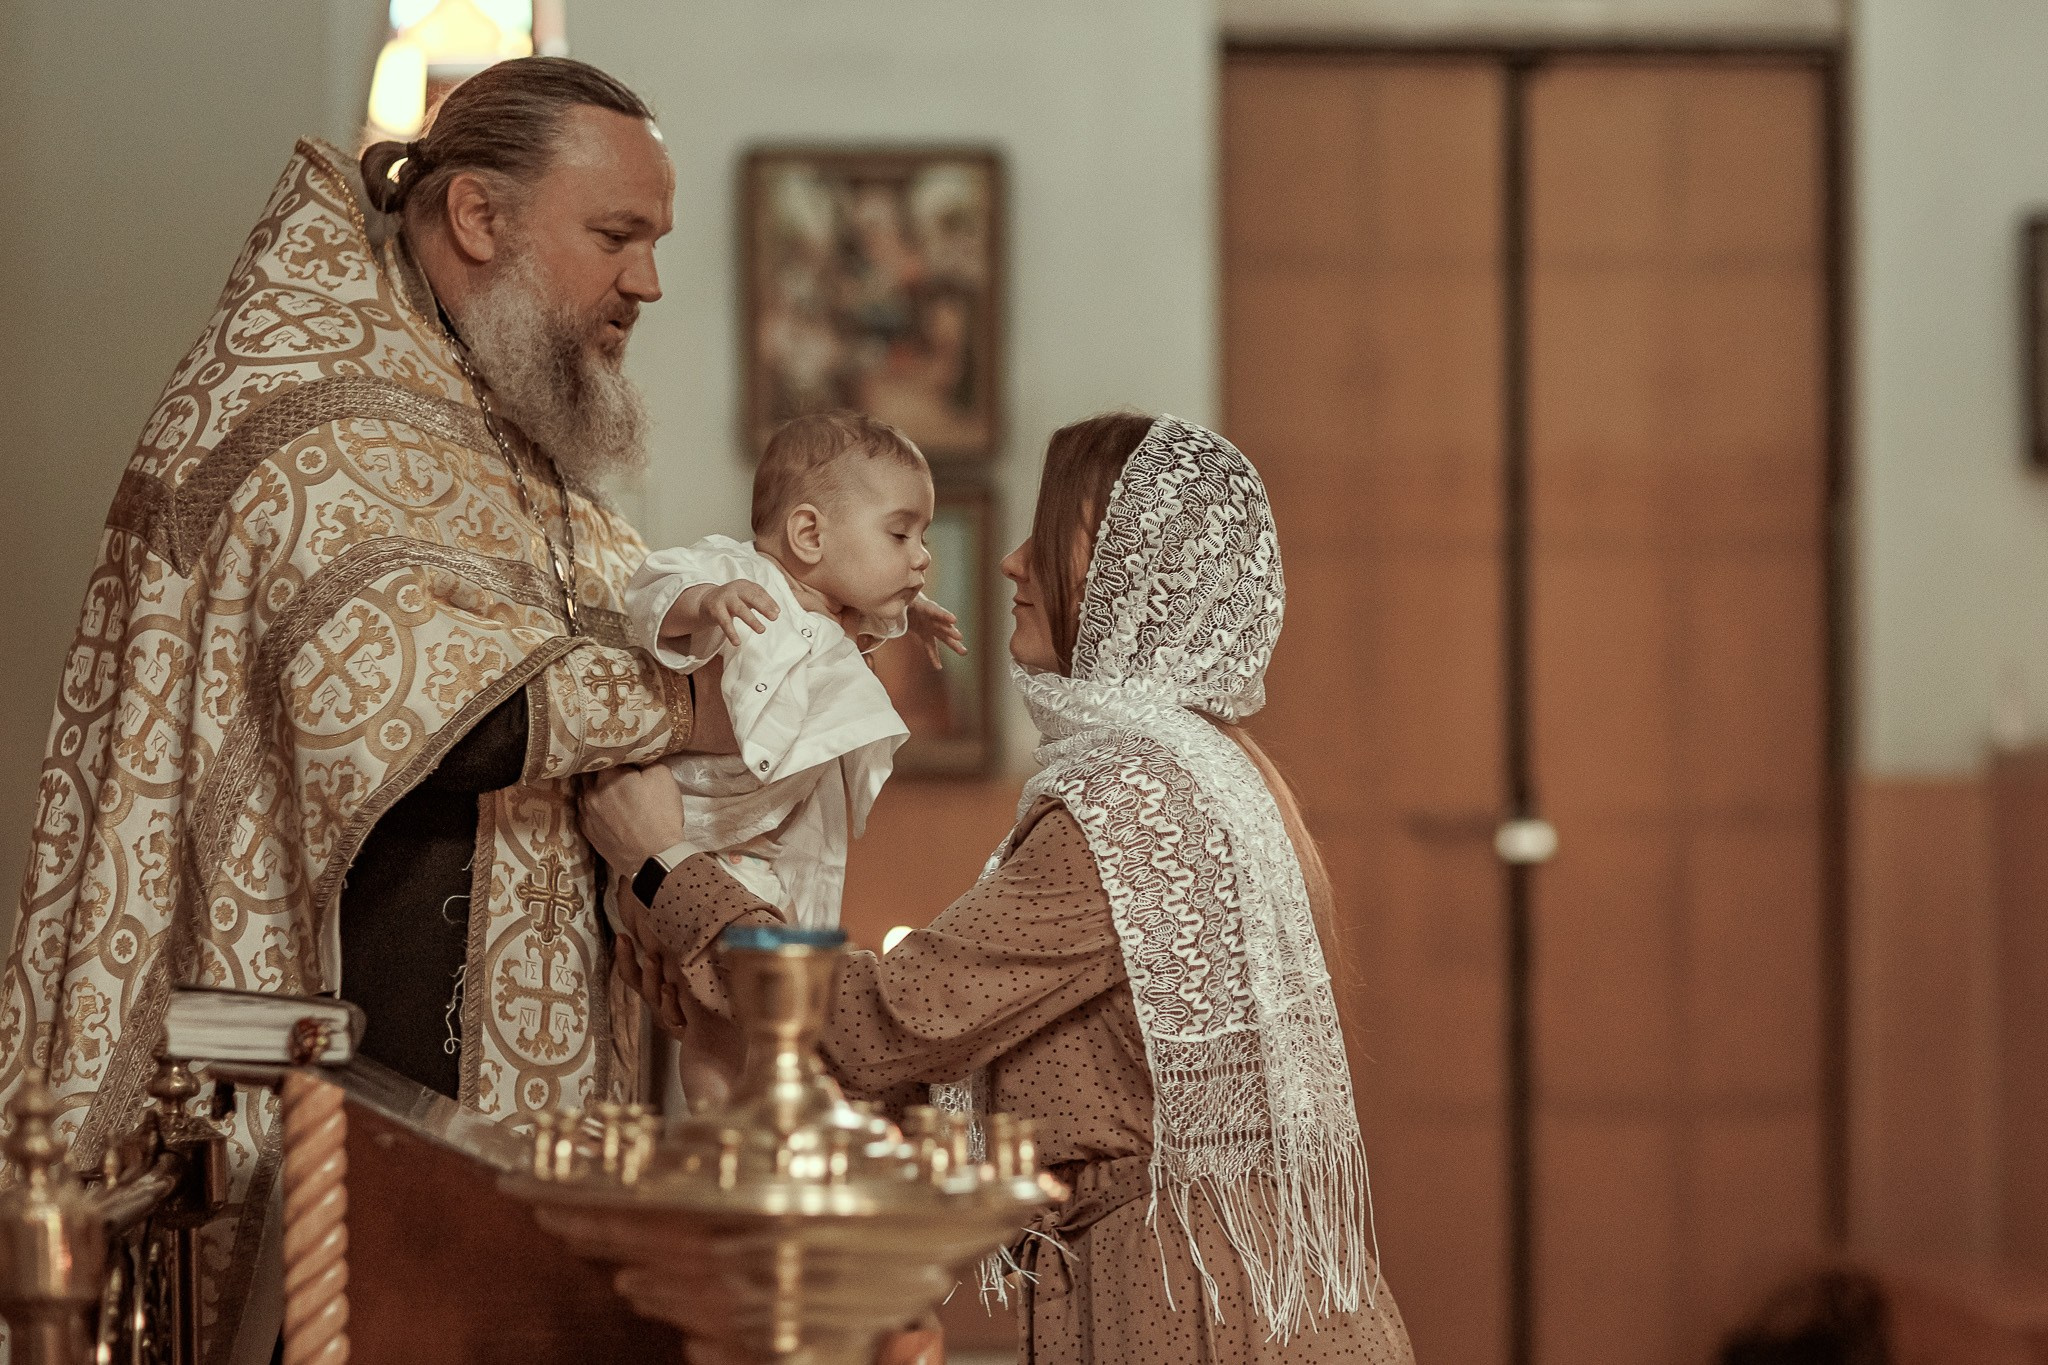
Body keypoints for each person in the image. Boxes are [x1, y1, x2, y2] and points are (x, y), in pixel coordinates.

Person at [0, 57, 721, 1360]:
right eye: (616, 237)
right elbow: (410, 713)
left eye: (655, 243)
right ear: (479, 217)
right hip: (345, 1129)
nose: (647, 285)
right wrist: (695, 697)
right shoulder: (302, 409)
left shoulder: (496, 420)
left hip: (506, 1142)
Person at [584, 413, 1417, 1362]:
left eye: (1052, 532)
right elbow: (964, 1060)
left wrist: (663, 867)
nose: (1012, 562)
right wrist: (720, 1000)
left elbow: (877, 1024)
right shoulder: (1211, 774)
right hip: (1224, 1302)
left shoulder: (1132, 805)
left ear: (1134, 576)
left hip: (1188, 1318)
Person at [622, 408, 962, 1108]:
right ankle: (716, 1128)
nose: (921, 554)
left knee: (785, 1015)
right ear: (808, 533)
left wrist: (913, 609)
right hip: (709, 842)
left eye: (921, 537)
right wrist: (704, 600)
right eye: (900, 533)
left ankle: (765, 1122)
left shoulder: (839, 615)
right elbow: (651, 591)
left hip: (786, 852)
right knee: (721, 1022)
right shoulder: (744, 576)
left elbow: (863, 630)